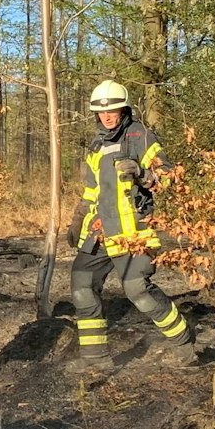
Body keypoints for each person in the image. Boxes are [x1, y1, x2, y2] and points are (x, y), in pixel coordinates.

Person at [69, 81, 193, 363]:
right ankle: (95, 359)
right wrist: (79, 218)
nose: (107, 117)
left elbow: (170, 178)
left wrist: (142, 173)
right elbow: (92, 191)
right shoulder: (96, 146)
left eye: (113, 111)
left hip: (135, 234)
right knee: (81, 286)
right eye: (102, 113)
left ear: (124, 110)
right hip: (101, 235)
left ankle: (185, 343)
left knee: (138, 290)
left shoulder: (141, 136)